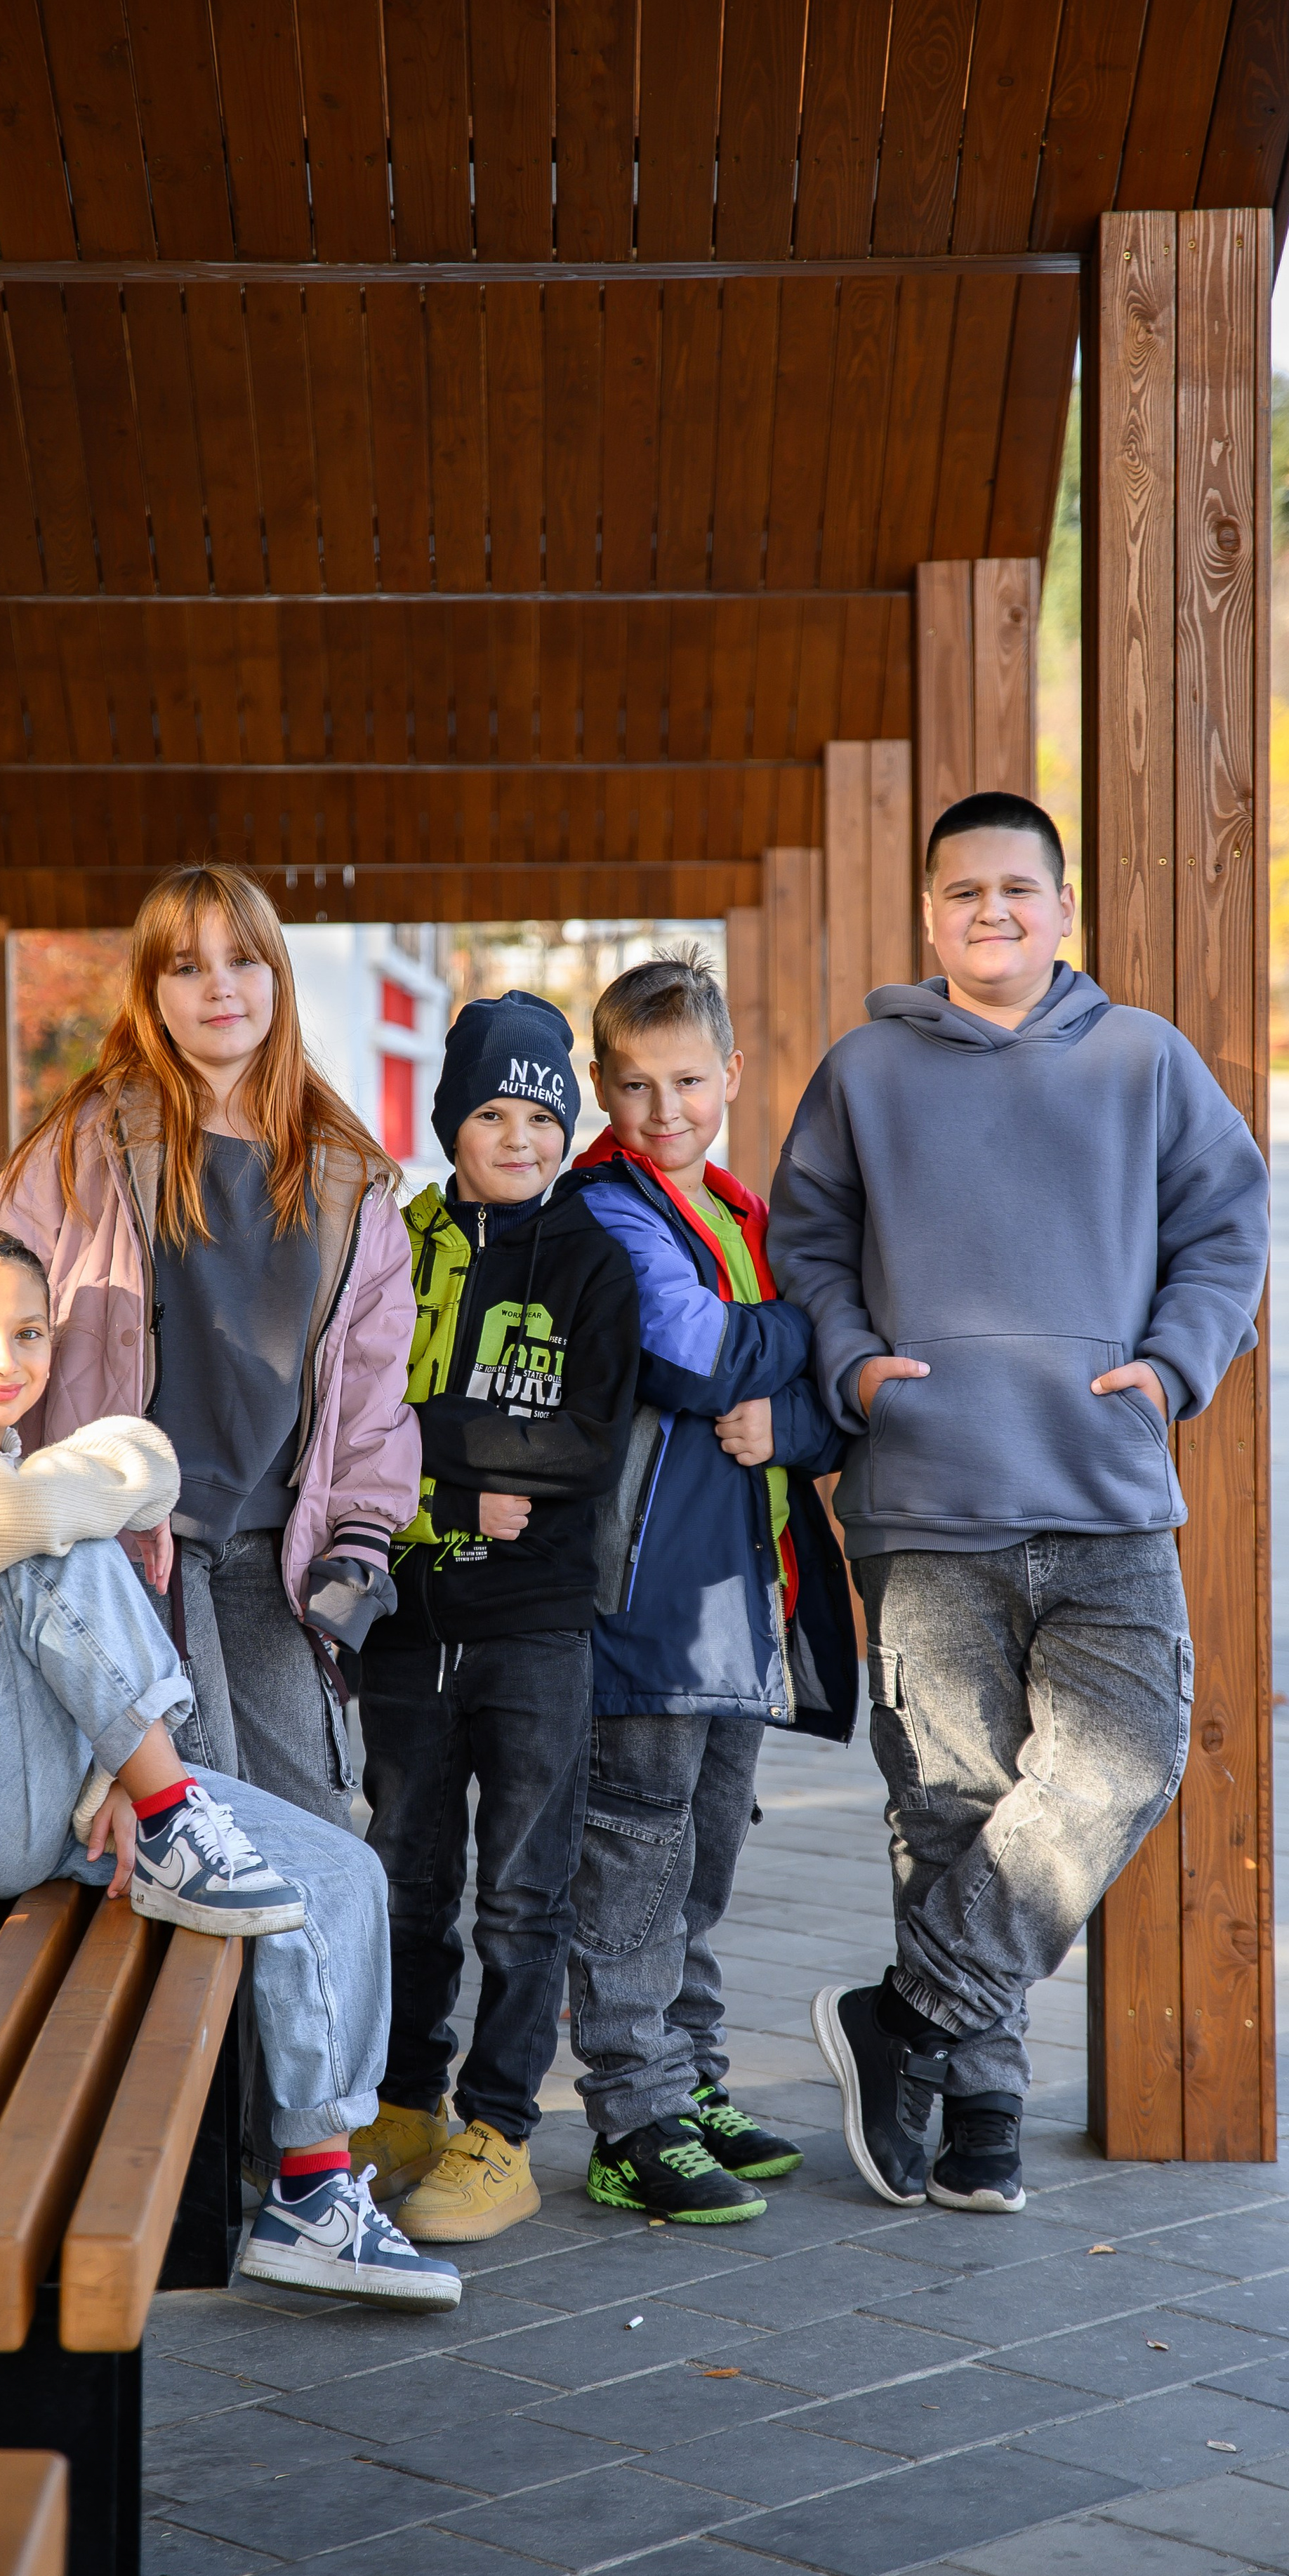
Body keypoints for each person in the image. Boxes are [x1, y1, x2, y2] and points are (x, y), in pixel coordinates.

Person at [768, 791, 1270, 2214]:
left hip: (1104, 1487)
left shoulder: (1139, 1060)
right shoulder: (864, 1069)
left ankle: (906, 2017)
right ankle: (976, 2109)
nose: (990, 910)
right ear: (928, 914)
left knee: (1120, 1764)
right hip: (924, 1494)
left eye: (1016, 889)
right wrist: (856, 1365)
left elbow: (1223, 1222)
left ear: (1061, 911)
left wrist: (1174, 1366)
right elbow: (802, 1241)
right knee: (951, 1804)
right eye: (962, 891)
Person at [0, 1221, 458, 2308]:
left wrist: (105, 1768)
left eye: (29, 1333)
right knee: (49, 1543)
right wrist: (123, 1471)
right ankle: (171, 1812)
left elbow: (151, 1463)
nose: (7, 1362)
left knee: (343, 1876)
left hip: (57, 1787)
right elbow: (98, 1489)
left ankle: (313, 2189)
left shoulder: (4, 1462)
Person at [0, 863, 420, 1837]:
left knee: (316, 1815)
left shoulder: (349, 1184)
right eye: (186, 968)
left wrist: (360, 1537)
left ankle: (302, 1996)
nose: (220, 987)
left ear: (279, 975)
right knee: (206, 1809)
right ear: (151, 995)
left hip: (278, 1545)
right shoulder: (89, 1147)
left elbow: (370, 1397)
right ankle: (214, 1998)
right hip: (135, 1544)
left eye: (242, 961)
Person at [560, 949, 858, 2224]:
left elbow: (825, 1417)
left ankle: (690, 2076)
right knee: (635, 1849)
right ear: (598, 1086)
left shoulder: (741, 1214)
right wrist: (821, 1334)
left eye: (687, 1080)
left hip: (749, 1600)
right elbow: (693, 1353)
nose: (663, 1109)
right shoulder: (607, 1207)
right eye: (633, 1085)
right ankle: (631, 2112)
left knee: (706, 1851)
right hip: (646, 1599)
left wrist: (786, 1421)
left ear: (732, 1073)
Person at [351, 993, 640, 2243]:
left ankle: (502, 2126)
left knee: (523, 1892)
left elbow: (583, 1440)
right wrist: (461, 1481)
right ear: (448, 1121)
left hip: (535, 1627)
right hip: (409, 1618)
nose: (517, 1136)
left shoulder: (588, 1259)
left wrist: (430, 1451)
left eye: (541, 1114)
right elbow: (357, 1416)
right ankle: (407, 2104)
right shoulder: (400, 1246)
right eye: (490, 1112)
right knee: (409, 1873)